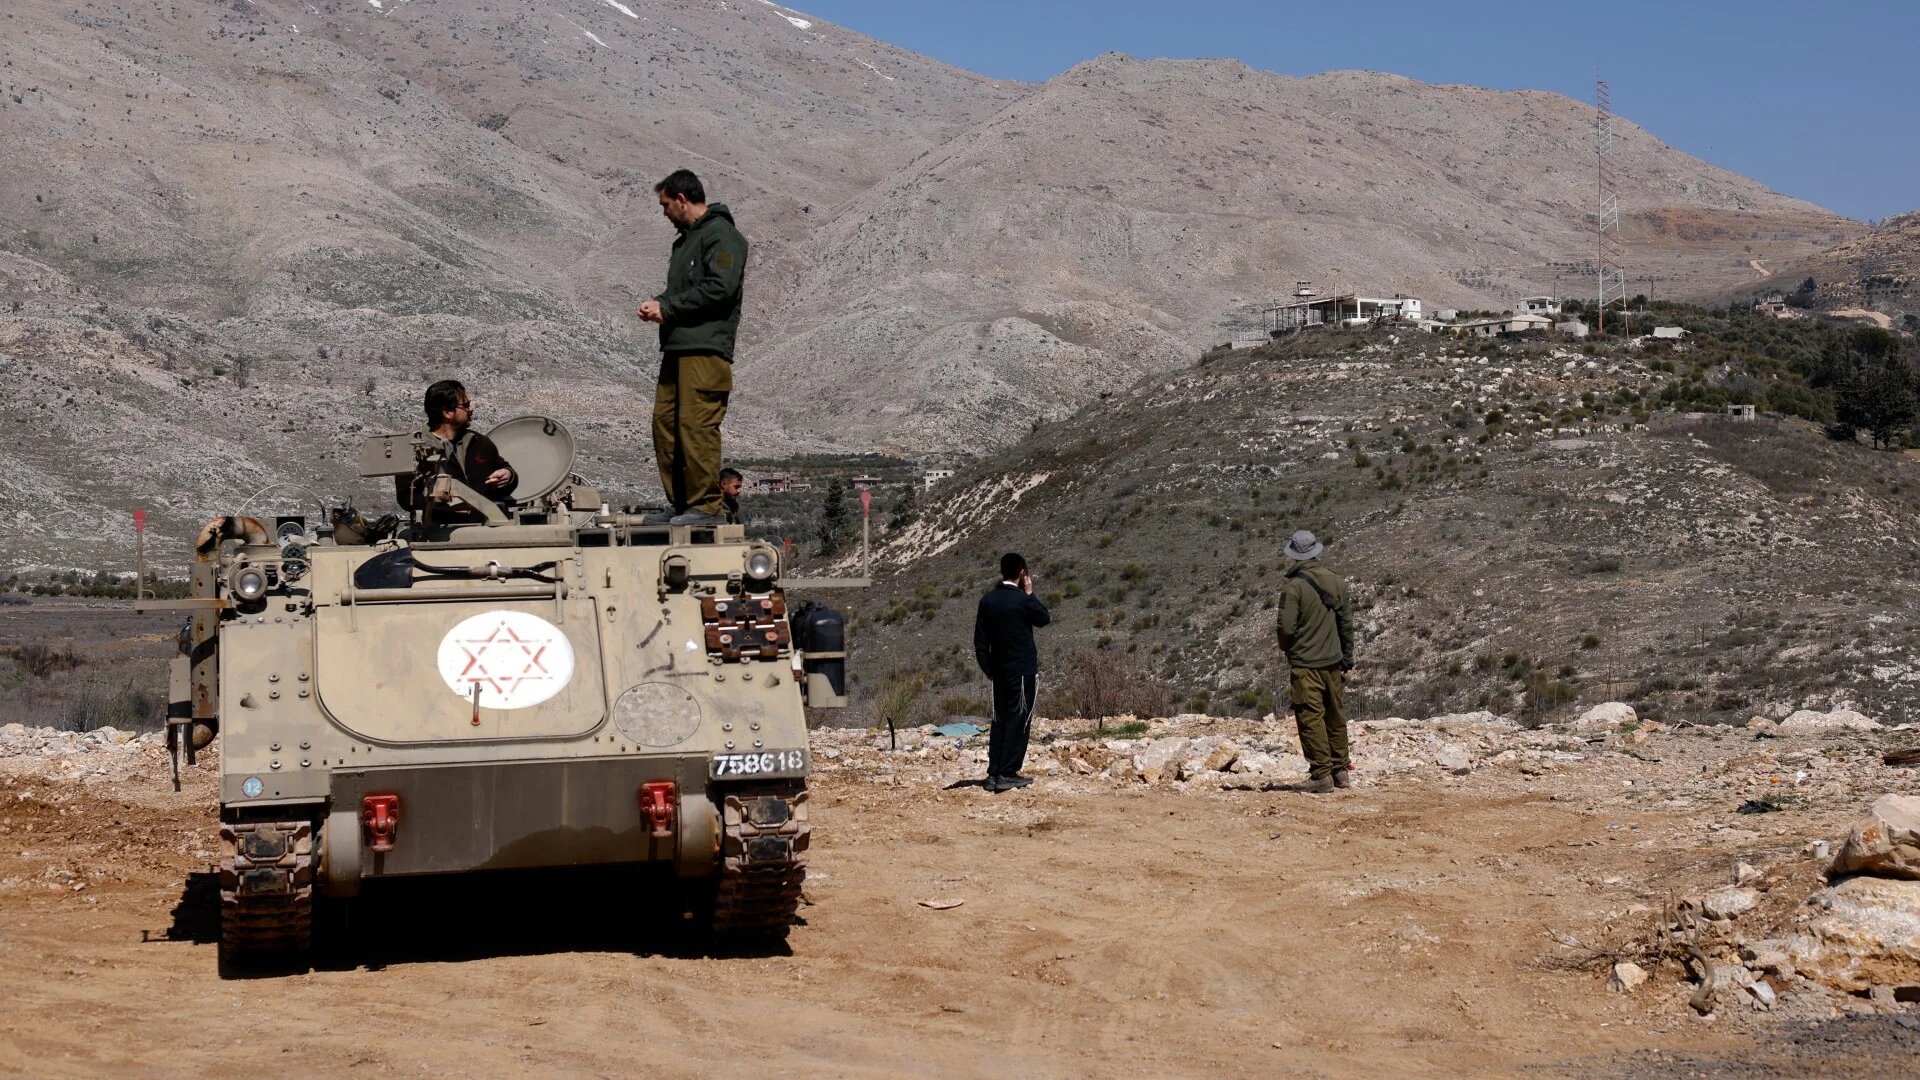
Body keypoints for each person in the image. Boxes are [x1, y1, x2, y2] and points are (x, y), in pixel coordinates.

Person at [636, 168, 748, 526]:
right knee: (666, 425)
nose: (664, 212)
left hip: (705, 351)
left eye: (666, 205)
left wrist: (668, 308)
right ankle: (684, 503)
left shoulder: (722, 236)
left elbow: (721, 287)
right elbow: (691, 291)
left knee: (696, 427)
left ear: (682, 199)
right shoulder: (687, 241)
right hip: (678, 348)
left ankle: (706, 507)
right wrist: (661, 303)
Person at [1274, 530, 1356, 793]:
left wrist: (1289, 649)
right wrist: (1348, 659)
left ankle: (1321, 775)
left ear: (1294, 555)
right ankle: (1340, 771)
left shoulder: (1293, 587)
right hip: (1334, 662)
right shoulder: (1337, 582)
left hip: (1305, 664)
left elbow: (1285, 628)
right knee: (1335, 714)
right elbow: (1346, 625)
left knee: (1311, 717)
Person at [973, 552, 1051, 793]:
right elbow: (1043, 618)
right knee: (1019, 720)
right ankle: (1007, 772)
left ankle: (994, 773)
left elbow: (980, 642)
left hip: (999, 673)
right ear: (1021, 573)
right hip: (1021, 672)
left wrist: (988, 669)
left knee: (1000, 721)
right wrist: (1030, 592)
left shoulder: (987, 601)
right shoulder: (1022, 600)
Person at [395, 379, 516, 523]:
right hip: (440, 535)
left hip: (486, 529)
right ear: (447, 412)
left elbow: (504, 471)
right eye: (465, 405)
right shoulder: (414, 448)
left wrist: (508, 475)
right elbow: (407, 498)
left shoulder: (479, 442)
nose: (471, 409)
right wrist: (448, 505)